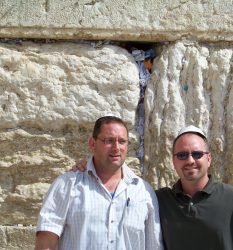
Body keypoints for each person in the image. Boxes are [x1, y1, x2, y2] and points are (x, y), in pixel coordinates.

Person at [35, 116, 164, 250]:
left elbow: (154, 245)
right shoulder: (66, 185)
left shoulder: (143, 191)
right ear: (92, 143)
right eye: (109, 141)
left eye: (122, 141)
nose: (116, 147)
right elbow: (46, 244)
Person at [156, 125, 233, 250]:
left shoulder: (230, 198)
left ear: (208, 159)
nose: (190, 160)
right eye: (182, 155)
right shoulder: (160, 200)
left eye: (197, 154)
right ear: (174, 162)